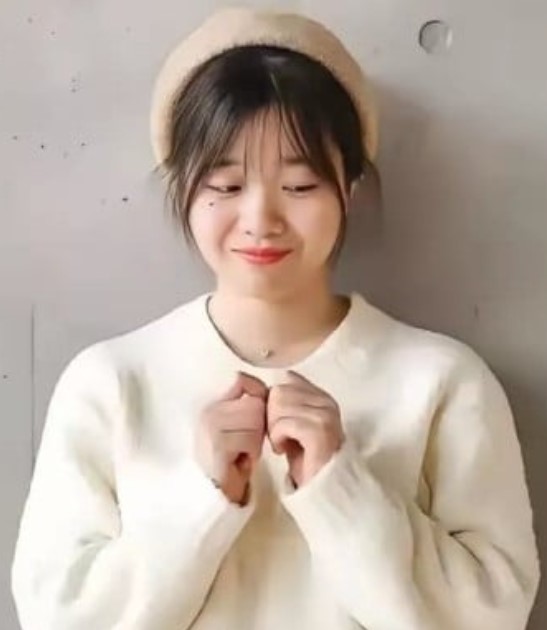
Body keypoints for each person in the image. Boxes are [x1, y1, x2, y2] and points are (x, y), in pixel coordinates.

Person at [11, 7, 540, 630]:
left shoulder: (442, 382)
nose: (261, 220)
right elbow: (57, 617)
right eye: (226, 185)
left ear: (349, 188)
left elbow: (493, 616)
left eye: (299, 186)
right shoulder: (109, 384)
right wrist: (200, 500)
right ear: (183, 187)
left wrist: (340, 485)